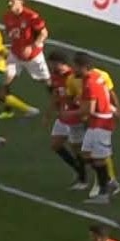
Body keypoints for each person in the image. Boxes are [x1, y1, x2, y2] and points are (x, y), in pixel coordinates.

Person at [72, 52, 120, 203]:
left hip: (101, 123)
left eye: (75, 66)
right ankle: (109, 181)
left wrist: (70, 113)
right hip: (98, 122)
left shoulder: (90, 83)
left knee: (99, 159)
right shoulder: (95, 76)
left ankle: (104, 194)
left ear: (83, 67)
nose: (73, 69)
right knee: (86, 154)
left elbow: (89, 110)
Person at [0, 0, 51, 120]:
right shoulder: (7, 16)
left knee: (47, 81)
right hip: (15, 55)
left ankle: (62, 105)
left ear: (21, 1)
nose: (9, 3)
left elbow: (44, 33)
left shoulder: (31, 16)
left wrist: (32, 46)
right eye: (9, 1)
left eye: (12, 1)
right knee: (4, 82)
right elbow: (10, 33)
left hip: (33, 57)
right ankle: (8, 110)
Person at [46, 51, 87, 189]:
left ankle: (83, 179)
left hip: (74, 117)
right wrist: (49, 113)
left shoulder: (73, 77)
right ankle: (78, 170)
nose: (50, 66)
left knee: (77, 149)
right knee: (55, 145)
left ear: (60, 63)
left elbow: (81, 97)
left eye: (52, 63)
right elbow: (55, 94)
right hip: (63, 116)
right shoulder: (55, 75)